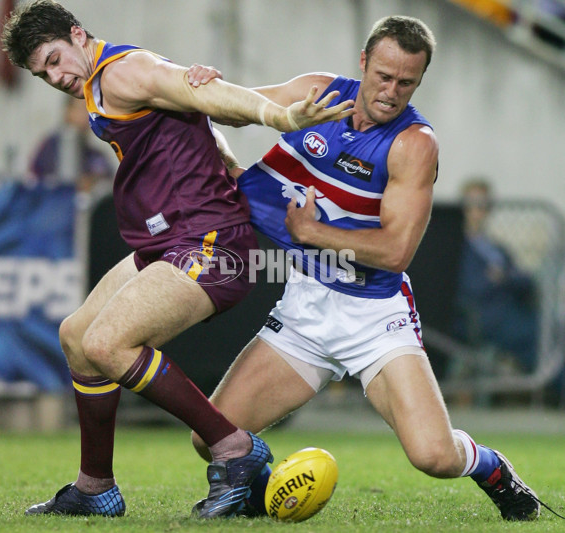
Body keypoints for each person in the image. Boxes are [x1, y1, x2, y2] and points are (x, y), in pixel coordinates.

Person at [1, 0, 354, 520]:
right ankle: (94, 487)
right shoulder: (98, 85)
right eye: (42, 73)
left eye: (55, 59)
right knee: (77, 337)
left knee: (106, 344)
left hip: (211, 244)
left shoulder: (124, 71)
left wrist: (280, 116)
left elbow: (202, 94)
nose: (54, 77)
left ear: (78, 35)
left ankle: (235, 449)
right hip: (167, 242)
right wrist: (220, 147)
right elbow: (190, 112)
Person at [189, 15, 542, 521]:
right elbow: (241, 108)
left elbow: (396, 251)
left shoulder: (414, 143)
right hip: (308, 303)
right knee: (211, 436)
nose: (390, 92)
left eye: (406, 83)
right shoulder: (317, 93)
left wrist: (312, 233)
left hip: (374, 316)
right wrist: (203, 81)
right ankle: (259, 490)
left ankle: (491, 469)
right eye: (382, 76)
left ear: (419, 81)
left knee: (434, 456)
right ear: (363, 62)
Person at [454, 178, 538, 373]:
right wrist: (506, 279)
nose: (478, 211)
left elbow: (526, 281)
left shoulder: (496, 248)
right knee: (537, 336)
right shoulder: (458, 249)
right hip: (485, 317)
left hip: (512, 312)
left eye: (483, 205)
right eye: (472, 205)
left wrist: (505, 278)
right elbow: (473, 286)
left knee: (550, 333)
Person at [29, 97, 113, 192]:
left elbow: (108, 187)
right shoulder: (48, 149)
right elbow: (33, 182)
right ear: (68, 111)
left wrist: (93, 182)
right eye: (84, 109)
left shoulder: (96, 156)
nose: (89, 115)